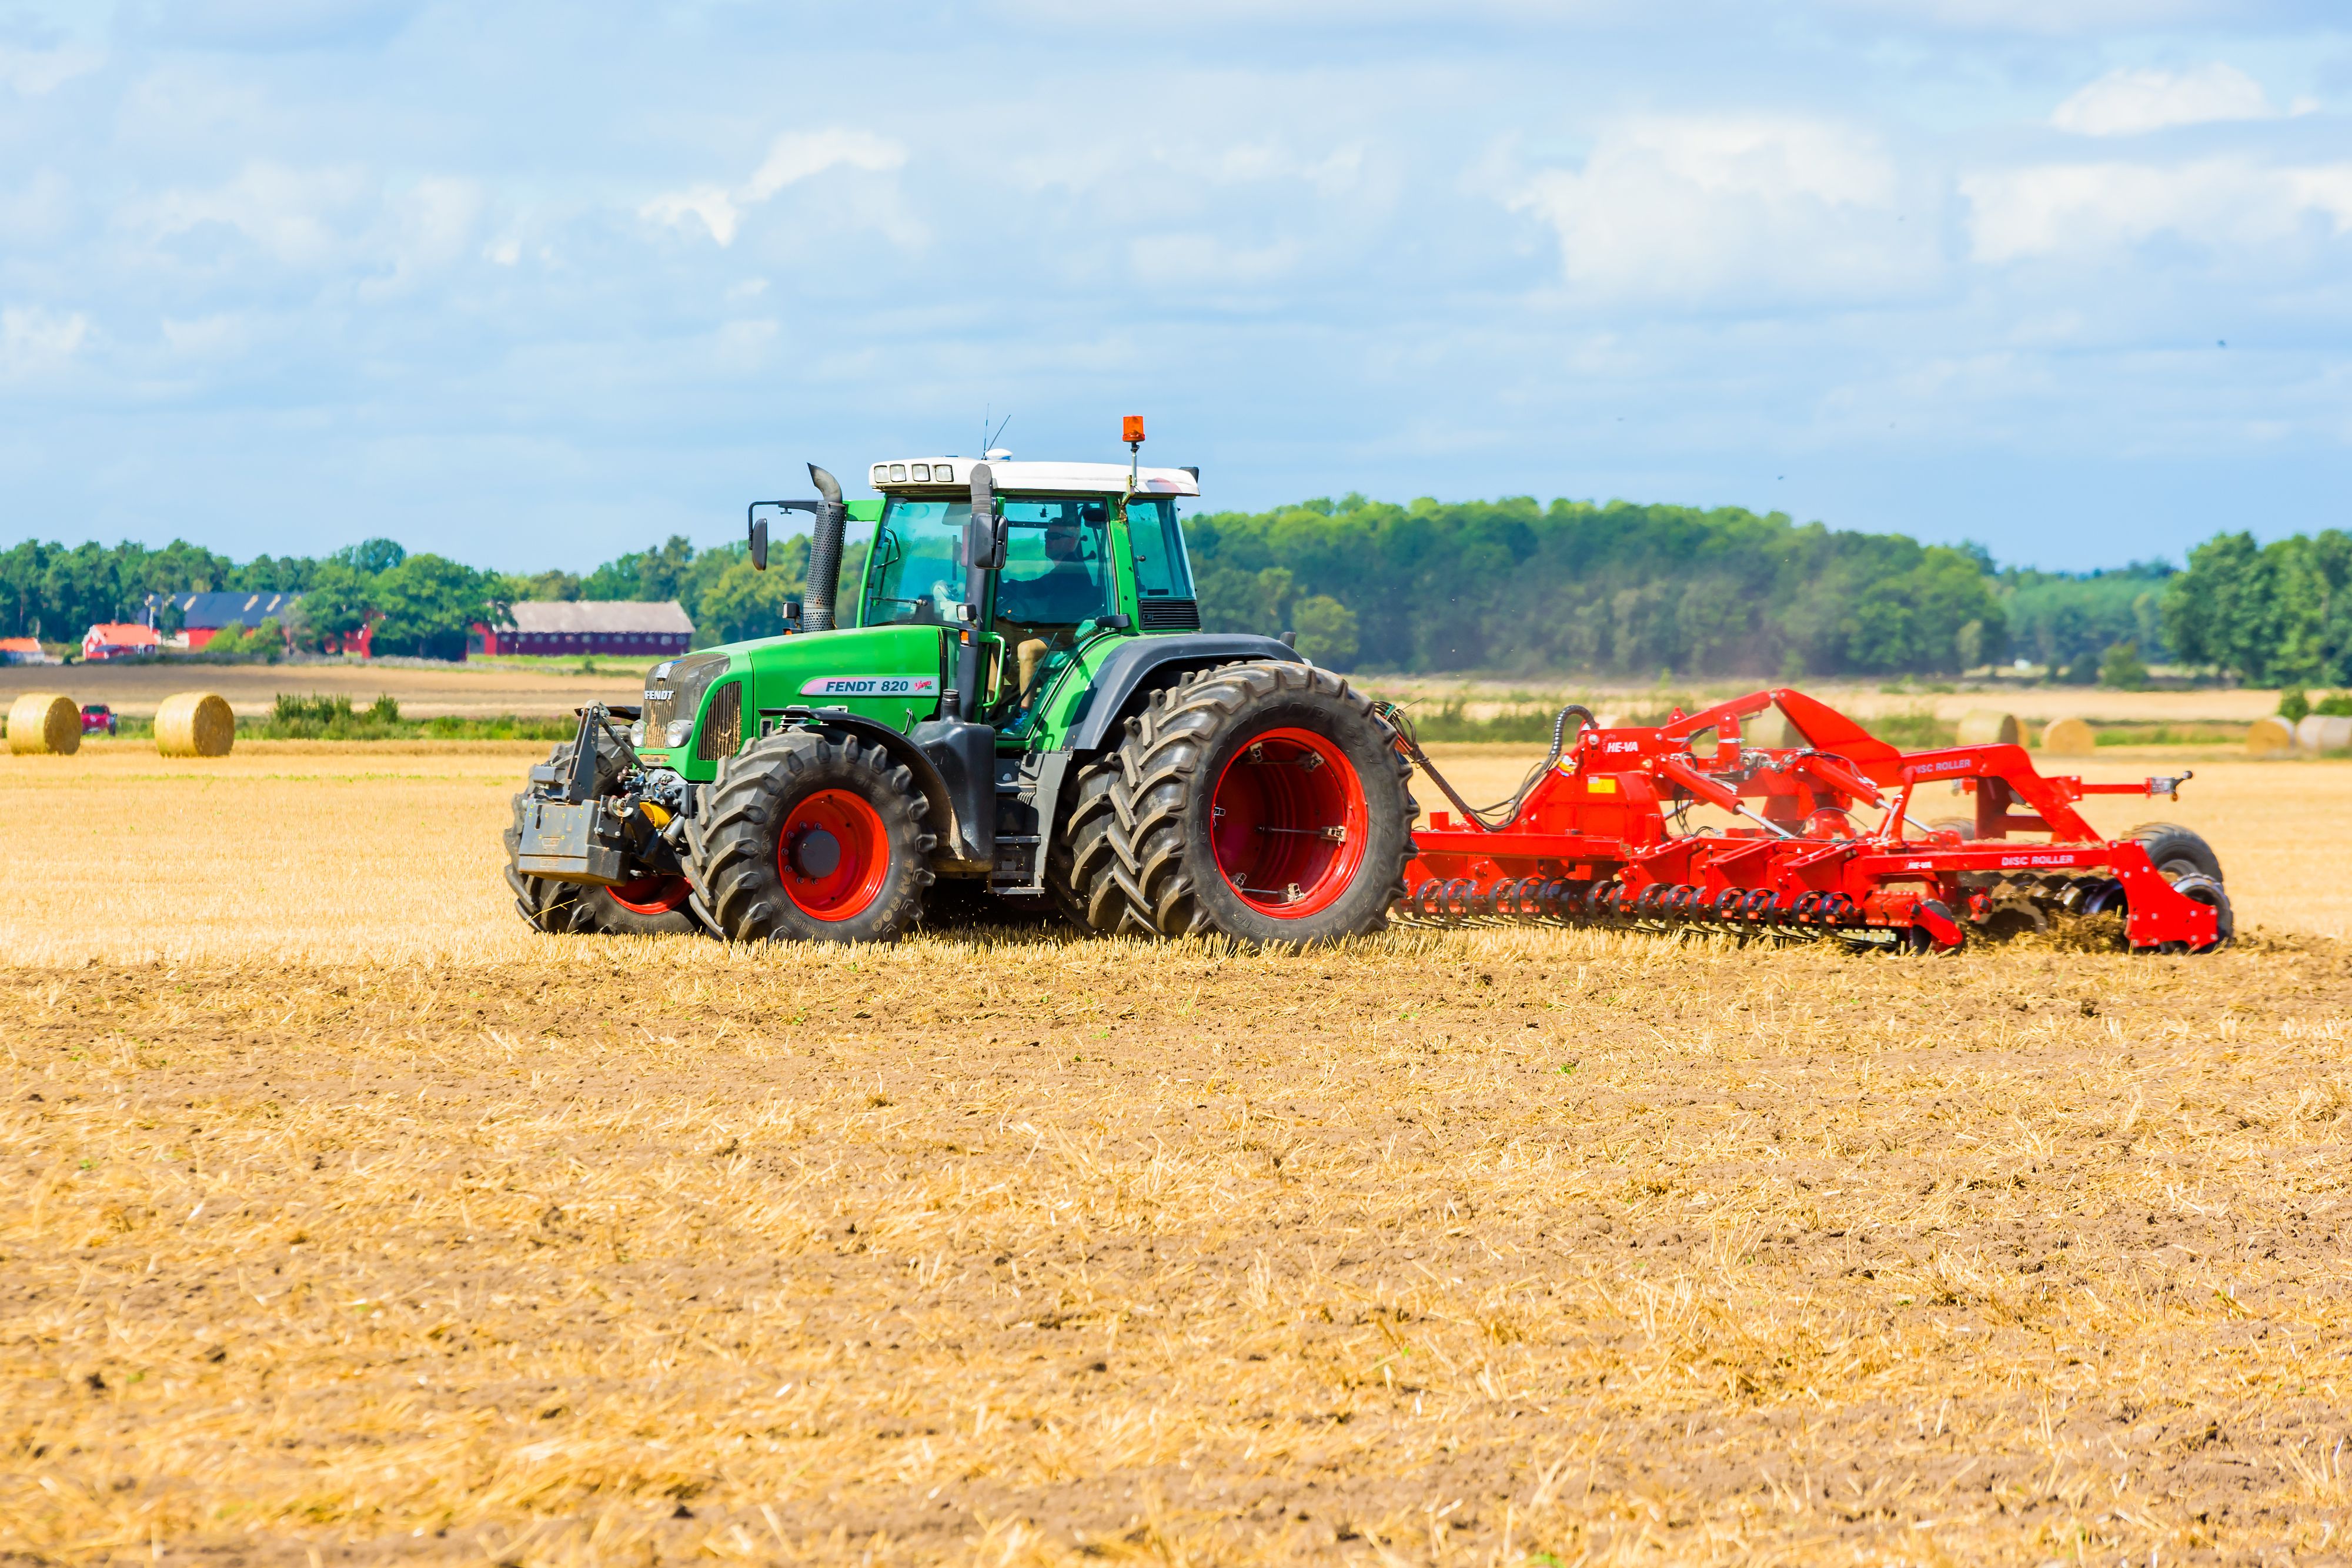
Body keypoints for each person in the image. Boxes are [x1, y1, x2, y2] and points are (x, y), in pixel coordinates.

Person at [993, 509, 1107, 628]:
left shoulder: (1070, 570)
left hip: (1068, 632)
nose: (1048, 540)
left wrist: (1001, 586)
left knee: (1025, 647)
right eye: (1047, 535)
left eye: (1054, 536)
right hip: (1062, 626)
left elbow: (1034, 589)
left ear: (1071, 542)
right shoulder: (1063, 568)